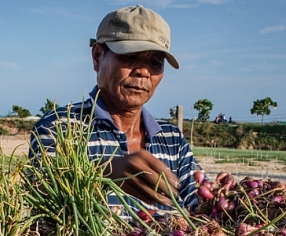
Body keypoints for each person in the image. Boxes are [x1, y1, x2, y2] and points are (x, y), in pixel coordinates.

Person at [30, 4, 204, 213]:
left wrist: (231, 198)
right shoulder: (60, 127)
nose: (143, 71)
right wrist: (104, 171)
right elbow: (43, 192)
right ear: (97, 56)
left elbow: (200, 209)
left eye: (155, 62)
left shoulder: (172, 140)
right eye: (130, 57)